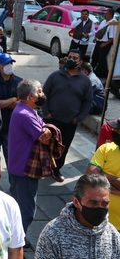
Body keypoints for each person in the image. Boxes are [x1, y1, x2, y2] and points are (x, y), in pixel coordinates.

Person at [34, 174, 120, 259]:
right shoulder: (53, 233)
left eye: (104, 203)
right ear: (76, 201)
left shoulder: (113, 236)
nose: (99, 208)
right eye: (93, 203)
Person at [7, 80, 53, 259]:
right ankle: (14, 250)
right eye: (40, 91)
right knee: (26, 211)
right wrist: (49, 131)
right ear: (30, 97)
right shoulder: (25, 114)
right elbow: (43, 137)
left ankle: (17, 240)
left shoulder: (25, 110)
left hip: (19, 166)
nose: (42, 94)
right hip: (24, 169)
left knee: (19, 207)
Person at [43, 49, 92, 181]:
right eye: (69, 57)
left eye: (75, 58)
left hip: (70, 122)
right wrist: (46, 112)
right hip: (51, 119)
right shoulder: (55, 76)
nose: (71, 59)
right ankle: (43, 168)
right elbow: (44, 94)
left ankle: (56, 170)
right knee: (45, 144)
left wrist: (79, 118)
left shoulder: (85, 81)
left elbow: (87, 102)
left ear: (80, 61)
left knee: (62, 148)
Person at [0, 53, 22, 165]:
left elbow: (21, 103)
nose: (10, 65)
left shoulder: (19, 82)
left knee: (11, 159)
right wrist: (12, 100)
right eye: (6, 63)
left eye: (11, 63)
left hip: (12, 128)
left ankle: (13, 182)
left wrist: (3, 103)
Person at [87, 119, 120, 229]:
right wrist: (115, 186)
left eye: (118, 130)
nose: (114, 131)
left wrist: (102, 173)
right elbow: (91, 173)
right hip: (98, 220)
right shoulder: (106, 148)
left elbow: (96, 176)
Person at [92, 8, 116, 77]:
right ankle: (91, 71)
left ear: (110, 15)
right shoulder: (103, 21)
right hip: (99, 42)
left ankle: (100, 75)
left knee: (101, 59)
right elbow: (99, 31)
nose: (104, 15)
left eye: (106, 13)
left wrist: (104, 44)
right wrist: (95, 38)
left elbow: (112, 38)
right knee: (94, 57)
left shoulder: (113, 23)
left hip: (105, 44)